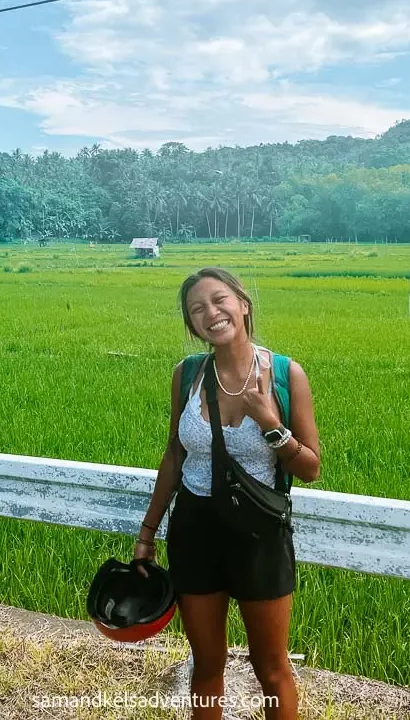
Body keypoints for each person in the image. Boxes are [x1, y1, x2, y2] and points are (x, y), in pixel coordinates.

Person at [134, 268, 321, 720]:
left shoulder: (284, 374)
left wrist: (270, 424)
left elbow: (311, 467)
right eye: (197, 309)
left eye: (219, 301)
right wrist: (147, 534)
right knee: (207, 662)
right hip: (195, 532)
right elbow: (175, 454)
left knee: (271, 667)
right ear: (191, 324)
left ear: (244, 304)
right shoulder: (187, 375)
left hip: (259, 536)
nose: (211, 314)